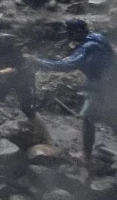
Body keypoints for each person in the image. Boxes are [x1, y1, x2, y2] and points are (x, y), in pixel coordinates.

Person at [31, 19, 117, 171]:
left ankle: (86, 156)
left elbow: (68, 65)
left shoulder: (88, 47)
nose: (68, 35)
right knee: (112, 118)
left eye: (70, 32)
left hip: (100, 87)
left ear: (78, 31)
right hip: (111, 83)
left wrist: (39, 62)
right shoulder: (97, 38)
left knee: (88, 118)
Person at [0, 33, 45, 143]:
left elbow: (16, 67)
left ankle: (47, 138)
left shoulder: (6, 44)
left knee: (27, 108)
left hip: (21, 77)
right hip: (5, 77)